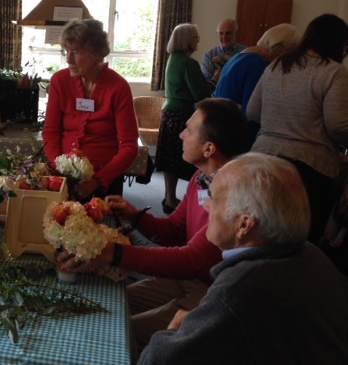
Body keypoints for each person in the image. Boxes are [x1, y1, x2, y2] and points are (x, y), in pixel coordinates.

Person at [58, 98, 246, 355]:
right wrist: (136, 217)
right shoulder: (200, 177)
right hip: (185, 279)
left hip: (212, 292)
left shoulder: (232, 192)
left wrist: (115, 253)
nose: (180, 134)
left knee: (119, 331)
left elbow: (193, 259)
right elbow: (178, 232)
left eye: (188, 130)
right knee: (106, 305)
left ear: (209, 149)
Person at [138, 153, 348, 365]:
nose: (206, 206)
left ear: (244, 225)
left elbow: (158, 360)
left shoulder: (241, 288)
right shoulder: (311, 254)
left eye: (214, 197)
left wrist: (172, 333)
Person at [247, 14, 348, 273]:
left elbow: (253, 111)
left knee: (260, 236)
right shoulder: (334, 72)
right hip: (308, 170)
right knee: (299, 245)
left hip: (263, 161)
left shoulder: (277, 66)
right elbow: (338, 124)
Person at [42, 19, 138, 199]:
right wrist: (60, 169)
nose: (68, 59)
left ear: (97, 54)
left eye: (76, 52)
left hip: (104, 181)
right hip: (63, 178)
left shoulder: (118, 87)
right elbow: (51, 132)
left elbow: (129, 146)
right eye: (66, 51)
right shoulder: (59, 81)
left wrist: (97, 181)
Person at [155, 23, 214, 214]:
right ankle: (188, 202)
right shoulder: (189, 63)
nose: (198, 40)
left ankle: (170, 198)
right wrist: (215, 79)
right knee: (189, 159)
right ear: (187, 39)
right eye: (195, 36)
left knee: (170, 158)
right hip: (182, 114)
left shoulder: (173, 59)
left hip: (169, 112)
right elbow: (200, 93)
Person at [214, 23, 298, 150]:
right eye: (289, 54)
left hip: (221, 129)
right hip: (237, 136)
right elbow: (252, 112)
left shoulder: (239, 56)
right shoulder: (258, 64)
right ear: (279, 48)